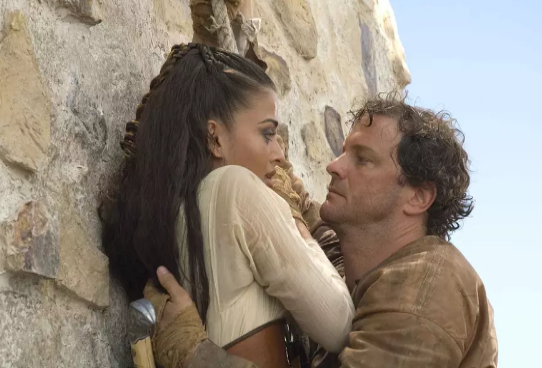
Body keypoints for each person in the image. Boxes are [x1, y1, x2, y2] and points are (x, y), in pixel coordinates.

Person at [145, 93, 499, 368]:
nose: (333, 166)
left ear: (418, 197)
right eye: (344, 152)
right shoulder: (366, 272)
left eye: (362, 159)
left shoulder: (426, 287)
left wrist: (193, 354)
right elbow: (322, 242)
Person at [102, 41, 354, 368]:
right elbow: (340, 324)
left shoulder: (181, 214)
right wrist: (294, 216)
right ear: (215, 138)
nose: (279, 155)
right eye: (267, 134)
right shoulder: (234, 187)